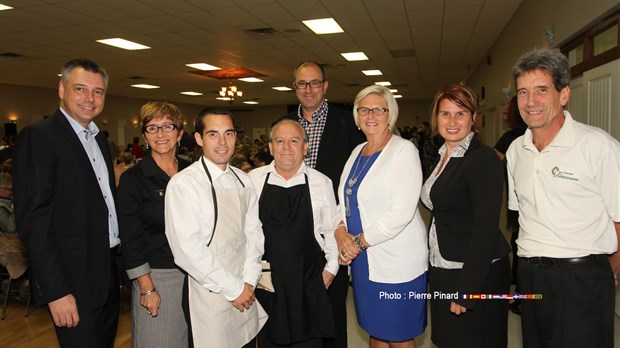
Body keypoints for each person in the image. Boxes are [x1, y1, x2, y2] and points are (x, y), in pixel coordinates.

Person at [507, 48, 620, 348]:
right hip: (529, 274)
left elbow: (619, 218)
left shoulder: (597, 146)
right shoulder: (515, 151)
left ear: (564, 94)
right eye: (522, 92)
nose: (530, 102)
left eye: (541, 90)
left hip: (581, 275)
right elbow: (522, 215)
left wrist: (603, 272)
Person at [13, 59, 121, 347]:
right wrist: (56, 291)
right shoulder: (40, 137)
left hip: (105, 273)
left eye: (98, 92)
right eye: (81, 89)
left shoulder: (98, 140)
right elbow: (34, 220)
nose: (90, 99)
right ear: (62, 89)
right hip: (70, 279)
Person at [164, 106, 267, 347]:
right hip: (209, 291)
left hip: (245, 286)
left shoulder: (244, 179)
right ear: (199, 138)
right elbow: (187, 250)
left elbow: (253, 232)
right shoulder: (184, 185)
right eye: (213, 134)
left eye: (229, 133)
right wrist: (233, 288)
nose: (222, 142)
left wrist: (250, 280)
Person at [335, 85, 429, 348]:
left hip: (397, 263)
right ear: (356, 115)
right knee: (375, 331)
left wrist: (357, 243)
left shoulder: (403, 151)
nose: (370, 115)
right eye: (364, 109)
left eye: (378, 109)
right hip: (364, 262)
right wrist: (340, 231)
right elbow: (342, 199)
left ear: (391, 114)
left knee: (398, 335)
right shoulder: (356, 152)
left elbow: (401, 213)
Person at [421, 84, 511, 348]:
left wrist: (466, 290)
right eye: (445, 114)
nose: (451, 121)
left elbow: (484, 230)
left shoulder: (482, 159)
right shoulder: (442, 155)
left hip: (474, 272)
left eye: (460, 114)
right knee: (446, 340)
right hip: (444, 265)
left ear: (474, 118)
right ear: (435, 118)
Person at [283, 61, 365, 348]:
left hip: (332, 229)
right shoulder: (284, 125)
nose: (308, 89)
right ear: (294, 87)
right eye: (302, 84)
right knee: (294, 313)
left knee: (330, 314)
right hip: (291, 235)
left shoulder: (348, 125)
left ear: (325, 86)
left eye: (315, 83)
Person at [249, 119, 339, 347]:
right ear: (270, 147)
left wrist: (329, 272)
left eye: (294, 140)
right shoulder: (253, 180)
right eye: (279, 141)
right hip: (266, 283)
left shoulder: (321, 182)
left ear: (305, 147)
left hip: (308, 283)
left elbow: (331, 231)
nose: (286, 147)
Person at [117, 102, 190, 347]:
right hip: (158, 277)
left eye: (167, 126)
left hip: (198, 277)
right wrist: (147, 288)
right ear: (144, 136)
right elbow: (130, 238)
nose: (160, 134)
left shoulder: (194, 173)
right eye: (152, 128)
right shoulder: (133, 179)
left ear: (180, 133)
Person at [493, 95, 527, 315]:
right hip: (523, 203)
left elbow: (490, 164)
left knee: (520, 246)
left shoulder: (511, 138)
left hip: (520, 204)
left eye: (507, 113)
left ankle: (521, 297)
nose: (504, 116)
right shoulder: (525, 136)